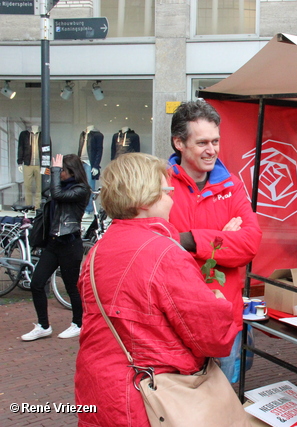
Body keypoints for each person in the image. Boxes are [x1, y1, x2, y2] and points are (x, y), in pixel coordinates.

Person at [74, 153, 237, 427]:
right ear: (144, 197)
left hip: (98, 385)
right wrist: (220, 304)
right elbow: (213, 338)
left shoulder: (97, 251)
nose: (172, 198)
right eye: (167, 191)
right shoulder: (165, 254)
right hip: (148, 395)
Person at [168, 100, 262, 382]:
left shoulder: (232, 184)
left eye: (216, 141)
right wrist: (221, 237)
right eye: (202, 143)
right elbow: (159, 245)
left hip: (224, 318)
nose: (212, 150)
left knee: (221, 401)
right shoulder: (159, 183)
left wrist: (189, 240)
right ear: (179, 143)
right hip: (176, 319)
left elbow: (250, 243)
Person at [21, 154, 91, 341]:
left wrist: (54, 171)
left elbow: (57, 194)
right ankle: (43, 326)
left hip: (69, 243)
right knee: (37, 283)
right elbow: (50, 192)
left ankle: (78, 323)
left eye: (62, 171)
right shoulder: (58, 187)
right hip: (53, 243)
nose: (59, 174)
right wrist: (52, 172)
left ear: (71, 171)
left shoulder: (81, 189)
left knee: (71, 287)